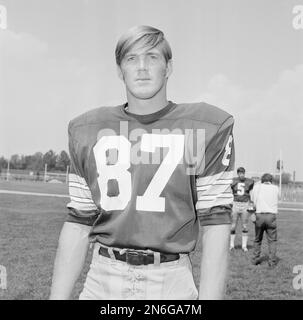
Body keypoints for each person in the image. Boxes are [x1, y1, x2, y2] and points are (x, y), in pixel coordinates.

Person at [50, 25, 235, 300]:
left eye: (152, 57)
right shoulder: (87, 129)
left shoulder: (204, 126)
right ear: (119, 70)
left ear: (168, 67)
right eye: (131, 59)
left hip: (170, 280)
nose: (142, 67)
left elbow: (216, 225)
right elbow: (78, 223)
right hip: (102, 278)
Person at [251, 173, 279, 268]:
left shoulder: (257, 187)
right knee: (272, 240)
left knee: (258, 239)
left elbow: (253, 201)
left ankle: (255, 259)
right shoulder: (275, 188)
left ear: (262, 180)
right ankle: (272, 262)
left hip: (259, 215)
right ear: (271, 180)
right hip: (271, 216)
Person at [230, 167, 254, 252]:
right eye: (240, 173)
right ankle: (232, 245)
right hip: (235, 204)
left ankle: (244, 246)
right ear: (238, 173)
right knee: (233, 226)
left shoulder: (249, 181)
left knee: (245, 226)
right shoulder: (233, 181)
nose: (241, 174)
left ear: (244, 173)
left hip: (245, 204)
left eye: (243, 173)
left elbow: (252, 193)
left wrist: (251, 204)